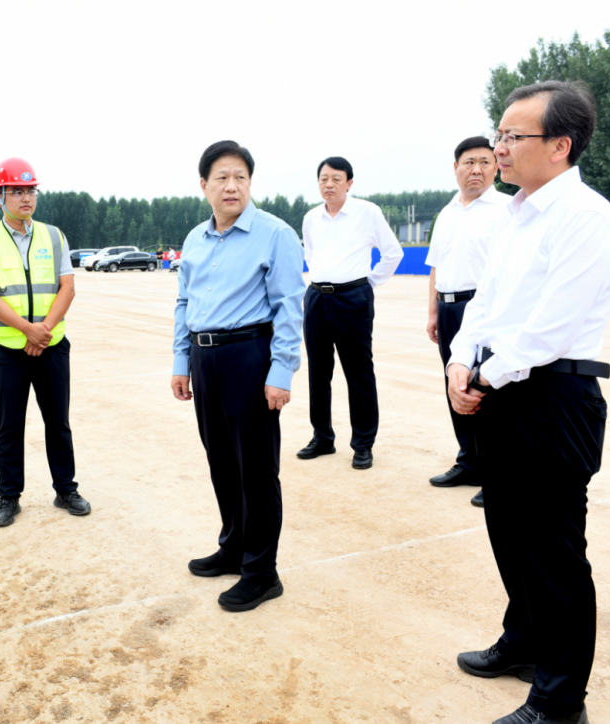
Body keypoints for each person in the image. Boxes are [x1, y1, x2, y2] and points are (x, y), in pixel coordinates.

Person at [448, 80, 610, 724]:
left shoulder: (585, 218)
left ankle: (558, 701)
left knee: (553, 554)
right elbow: (485, 307)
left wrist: (483, 377)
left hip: (552, 398)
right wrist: (460, 362)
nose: (499, 147)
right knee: (511, 535)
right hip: (500, 391)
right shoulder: (516, 215)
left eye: (512, 136)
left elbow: (549, 329)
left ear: (560, 146)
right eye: (499, 133)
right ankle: (522, 643)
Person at [171, 141, 305, 612]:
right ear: (204, 184)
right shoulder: (194, 239)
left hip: (252, 355)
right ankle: (233, 547)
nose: (232, 186)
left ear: (250, 183)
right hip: (206, 361)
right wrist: (180, 361)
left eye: (241, 177)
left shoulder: (275, 234)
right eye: (222, 177)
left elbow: (290, 307)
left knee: (256, 469)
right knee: (222, 462)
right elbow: (185, 303)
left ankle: (261, 571)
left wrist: (281, 370)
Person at [0, 158, 89, 527]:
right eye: (16, 191)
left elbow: (67, 286)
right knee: (10, 424)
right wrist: (26, 329)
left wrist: (44, 329)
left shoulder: (54, 236)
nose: (25, 197)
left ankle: (65, 488)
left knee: (58, 421)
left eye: (30, 190)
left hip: (51, 345)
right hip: (9, 350)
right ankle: (9, 497)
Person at [296, 157, 403, 470]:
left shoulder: (367, 213)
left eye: (336, 179)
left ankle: (363, 443)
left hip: (352, 298)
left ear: (349, 183)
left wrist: (366, 284)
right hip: (316, 297)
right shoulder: (311, 217)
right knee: (318, 371)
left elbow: (392, 253)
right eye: (323, 179)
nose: (329, 184)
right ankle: (322, 437)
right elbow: (310, 255)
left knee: (358, 372)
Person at [425, 137, 511, 508]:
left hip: (485, 311)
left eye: (484, 162)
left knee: (485, 392)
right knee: (456, 385)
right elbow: (437, 266)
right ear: (456, 168)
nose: (475, 169)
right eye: (468, 162)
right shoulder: (447, 213)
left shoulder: (508, 210)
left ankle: (496, 473)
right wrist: (432, 311)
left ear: (495, 167)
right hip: (448, 309)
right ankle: (469, 462)